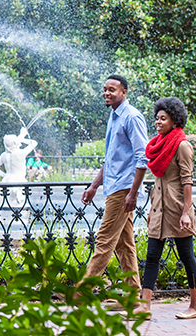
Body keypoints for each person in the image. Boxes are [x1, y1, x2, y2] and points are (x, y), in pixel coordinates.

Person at [80, 75, 149, 299]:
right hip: (114, 186)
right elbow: (110, 158)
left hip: (123, 189)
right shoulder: (114, 116)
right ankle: (133, 296)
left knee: (104, 239)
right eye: (105, 89)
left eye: (112, 89)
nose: (107, 93)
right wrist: (93, 186)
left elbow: (142, 158)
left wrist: (133, 193)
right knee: (124, 244)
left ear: (124, 92)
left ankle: (82, 293)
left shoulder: (132, 117)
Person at [137, 97, 196, 320]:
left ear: (175, 120)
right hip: (158, 210)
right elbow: (158, 183)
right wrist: (151, 208)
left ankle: (195, 306)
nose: (158, 122)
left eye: (163, 119)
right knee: (152, 256)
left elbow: (187, 181)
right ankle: (144, 306)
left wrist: (186, 212)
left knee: (186, 256)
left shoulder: (182, 145)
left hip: (177, 210)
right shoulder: (158, 145)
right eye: (156, 118)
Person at [0, 127, 37, 206]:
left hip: (6, 180)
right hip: (19, 181)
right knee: (19, 206)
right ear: (16, 143)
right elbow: (34, 143)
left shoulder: (4, 155)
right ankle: (16, 194)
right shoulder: (21, 153)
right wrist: (21, 137)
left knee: (4, 204)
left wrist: (4, 175)